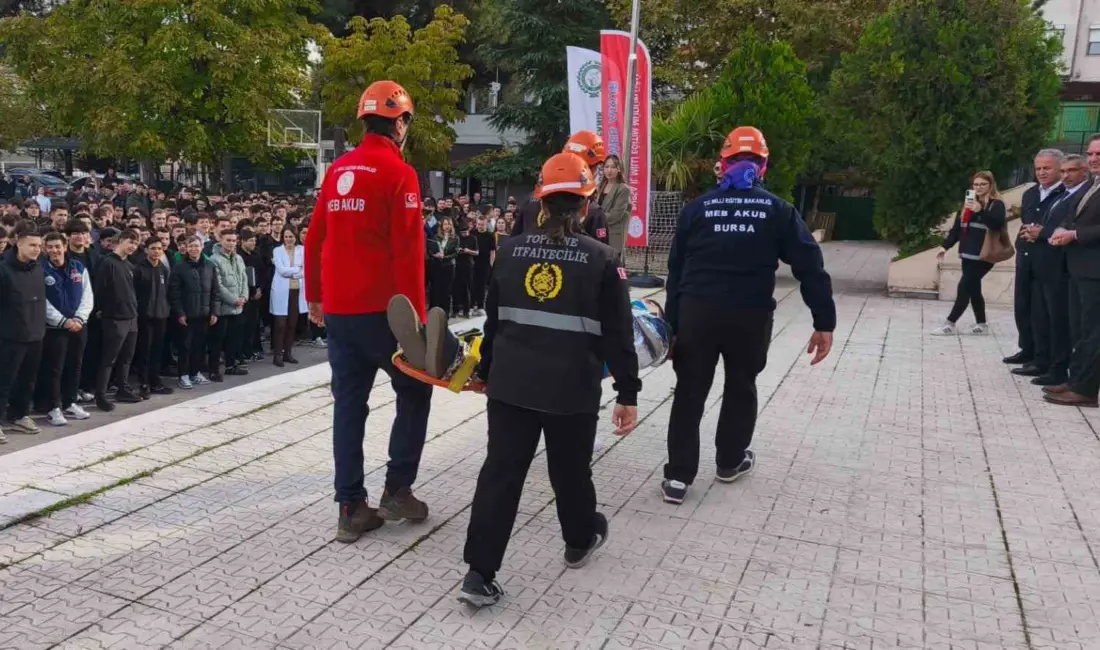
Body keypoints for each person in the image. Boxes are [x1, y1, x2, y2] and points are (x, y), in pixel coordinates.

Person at [458, 153, 640, 607]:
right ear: (585, 205)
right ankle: (579, 541)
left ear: (540, 204)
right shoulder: (603, 259)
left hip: (511, 387)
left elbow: (494, 323)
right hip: (571, 390)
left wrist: (485, 372)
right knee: (570, 471)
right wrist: (627, 393)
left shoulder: (511, 252)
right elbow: (619, 335)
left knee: (500, 475)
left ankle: (479, 574)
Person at [661, 126, 835, 505]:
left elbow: (676, 273)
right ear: (763, 167)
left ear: (721, 166)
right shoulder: (778, 210)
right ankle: (729, 462)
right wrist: (824, 321)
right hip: (750, 316)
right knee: (741, 387)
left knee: (690, 392)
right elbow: (810, 265)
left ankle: (678, 478)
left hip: (697, 314)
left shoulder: (697, 209)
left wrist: (672, 326)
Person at [304, 79, 433, 543]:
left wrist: (314, 298)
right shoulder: (400, 174)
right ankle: (398, 490)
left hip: (339, 312)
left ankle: (350, 507)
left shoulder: (338, 169)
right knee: (415, 393)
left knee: (349, 407)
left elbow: (315, 237)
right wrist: (414, 322)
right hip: (385, 315)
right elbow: (408, 251)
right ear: (399, 122)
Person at [1023, 154, 1092, 387]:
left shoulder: (1083, 194)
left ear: (1084, 171)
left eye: (1070, 171)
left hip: (1067, 266)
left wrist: (1042, 233)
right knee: (1045, 318)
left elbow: (1070, 225)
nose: (1065, 176)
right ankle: (1049, 364)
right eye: (1063, 172)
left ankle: (1063, 371)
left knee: (1063, 323)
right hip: (1047, 265)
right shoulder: (1063, 194)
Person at [1045, 135, 1100, 407]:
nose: (1093, 159)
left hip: (1095, 271)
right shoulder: (1092, 185)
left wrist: (1075, 235)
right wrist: (1060, 230)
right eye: (1090, 154)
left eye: (1098, 154)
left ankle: (1086, 389)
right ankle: (1077, 378)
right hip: (1078, 268)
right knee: (1079, 328)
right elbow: (1072, 216)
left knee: (1093, 331)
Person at [1005, 150, 1065, 366]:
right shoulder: (1030, 193)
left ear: (1060, 168)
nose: (1041, 172)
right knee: (1022, 307)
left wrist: (1042, 233)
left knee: (1043, 312)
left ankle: (1043, 356)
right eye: (1038, 168)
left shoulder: (1065, 194)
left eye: (1047, 168)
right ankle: (1027, 348)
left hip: (1049, 260)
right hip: (1026, 257)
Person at [931, 172, 1006, 336]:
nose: (978, 188)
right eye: (975, 184)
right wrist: (945, 247)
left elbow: (996, 224)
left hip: (985, 255)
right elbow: (956, 230)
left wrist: (980, 211)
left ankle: (950, 324)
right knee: (973, 288)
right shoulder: (967, 205)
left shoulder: (996, 204)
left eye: (982, 184)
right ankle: (982, 324)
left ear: (990, 185)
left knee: (964, 286)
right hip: (967, 253)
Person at [512, 131, 611, 246]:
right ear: (588, 171)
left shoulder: (531, 200)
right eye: (597, 168)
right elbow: (601, 256)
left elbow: (514, 244)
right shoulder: (592, 210)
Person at [39, 231, 94, 426]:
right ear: (45, 249)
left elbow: (88, 296)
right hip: (55, 329)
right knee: (54, 368)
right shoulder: (41, 269)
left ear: (65, 246)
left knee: (75, 364)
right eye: (50, 247)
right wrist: (62, 321)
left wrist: (79, 318)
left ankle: (70, 401)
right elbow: (42, 303)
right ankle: (53, 407)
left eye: (58, 246)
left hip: (79, 326)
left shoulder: (78, 267)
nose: (55, 250)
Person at [0, 223, 47, 441]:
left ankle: (19, 415)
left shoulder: (38, 268)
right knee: (4, 380)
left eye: (39, 245)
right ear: (18, 243)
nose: (37, 249)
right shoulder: (3, 270)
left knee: (28, 380)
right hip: (10, 336)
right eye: (32, 245)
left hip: (36, 334)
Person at [92, 229, 143, 411]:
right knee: (109, 359)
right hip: (114, 318)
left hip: (131, 317)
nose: (132, 246)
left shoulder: (130, 265)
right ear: (120, 241)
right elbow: (100, 290)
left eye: (136, 244)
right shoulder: (107, 263)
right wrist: (104, 311)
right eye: (130, 242)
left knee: (126, 358)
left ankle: (123, 388)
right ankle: (101, 395)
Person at [169, 235, 218, 389]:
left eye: (196, 246)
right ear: (186, 248)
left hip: (204, 314)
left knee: (199, 345)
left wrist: (214, 312)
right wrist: (180, 313)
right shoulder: (179, 267)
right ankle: (183, 375)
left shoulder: (210, 266)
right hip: (187, 315)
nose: (194, 249)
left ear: (201, 247)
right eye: (190, 246)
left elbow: (214, 291)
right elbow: (174, 293)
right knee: (185, 346)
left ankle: (195, 373)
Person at [132, 236, 173, 398]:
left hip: (161, 315)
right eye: (153, 248)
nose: (156, 251)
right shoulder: (139, 268)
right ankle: (144, 383)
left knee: (157, 350)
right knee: (145, 351)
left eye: (159, 248)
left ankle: (155, 381)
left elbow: (167, 292)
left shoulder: (163, 268)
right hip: (144, 317)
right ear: (146, 250)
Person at [207, 228, 250, 380]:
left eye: (233, 240)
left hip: (238, 307)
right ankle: (213, 370)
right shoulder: (214, 259)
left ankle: (231, 366)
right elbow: (217, 285)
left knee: (234, 338)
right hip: (222, 307)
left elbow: (244, 278)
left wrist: (244, 296)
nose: (231, 243)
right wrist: (233, 299)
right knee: (217, 341)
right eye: (228, 240)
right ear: (221, 240)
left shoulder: (238, 258)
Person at [271, 225, 307, 367]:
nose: (288, 239)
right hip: (281, 291)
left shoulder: (302, 250)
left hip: (296, 290)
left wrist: (296, 272)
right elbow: (281, 271)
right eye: (286, 236)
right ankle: (277, 355)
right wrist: (297, 270)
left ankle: (288, 353)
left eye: (291, 236)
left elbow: (306, 270)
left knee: (292, 324)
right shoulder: (277, 250)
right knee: (280, 324)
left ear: (295, 237)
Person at [596, 153, 631, 259]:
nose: (609, 170)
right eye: (606, 167)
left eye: (613, 167)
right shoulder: (599, 186)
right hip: (597, 234)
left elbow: (616, 215)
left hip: (612, 236)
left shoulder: (623, 189)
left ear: (619, 169)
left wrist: (596, 218)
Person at [429, 217, 458, 313]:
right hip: (436, 266)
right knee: (435, 289)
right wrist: (435, 255)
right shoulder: (436, 237)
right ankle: (433, 311)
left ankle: (445, 312)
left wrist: (444, 257)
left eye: (449, 224)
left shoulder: (455, 238)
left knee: (446, 290)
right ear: (441, 226)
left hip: (448, 266)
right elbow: (430, 249)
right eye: (445, 224)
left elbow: (455, 253)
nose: (447, 226)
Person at [452, 218, 478, 318]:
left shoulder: (473, 238)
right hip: (457, 264)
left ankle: (467, 310)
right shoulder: (457, 238)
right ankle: (455, 309)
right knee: (455, 288)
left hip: (468, 265)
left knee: (467, 288)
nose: (464, 234)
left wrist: (468, 251)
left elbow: (477, 252)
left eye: (466, 232)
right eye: (462, 232)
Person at [472, 215, 496, 316]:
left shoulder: (490, 235)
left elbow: (492, 251)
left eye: (482, 224)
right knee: (472, 284)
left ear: (486, 224)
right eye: (478, 224)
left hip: (485, 263)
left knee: (482, 285)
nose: (480, 226)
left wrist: (491, 264)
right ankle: (472, 305)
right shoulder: (472, 233)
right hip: (473, 262)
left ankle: (481, 306)